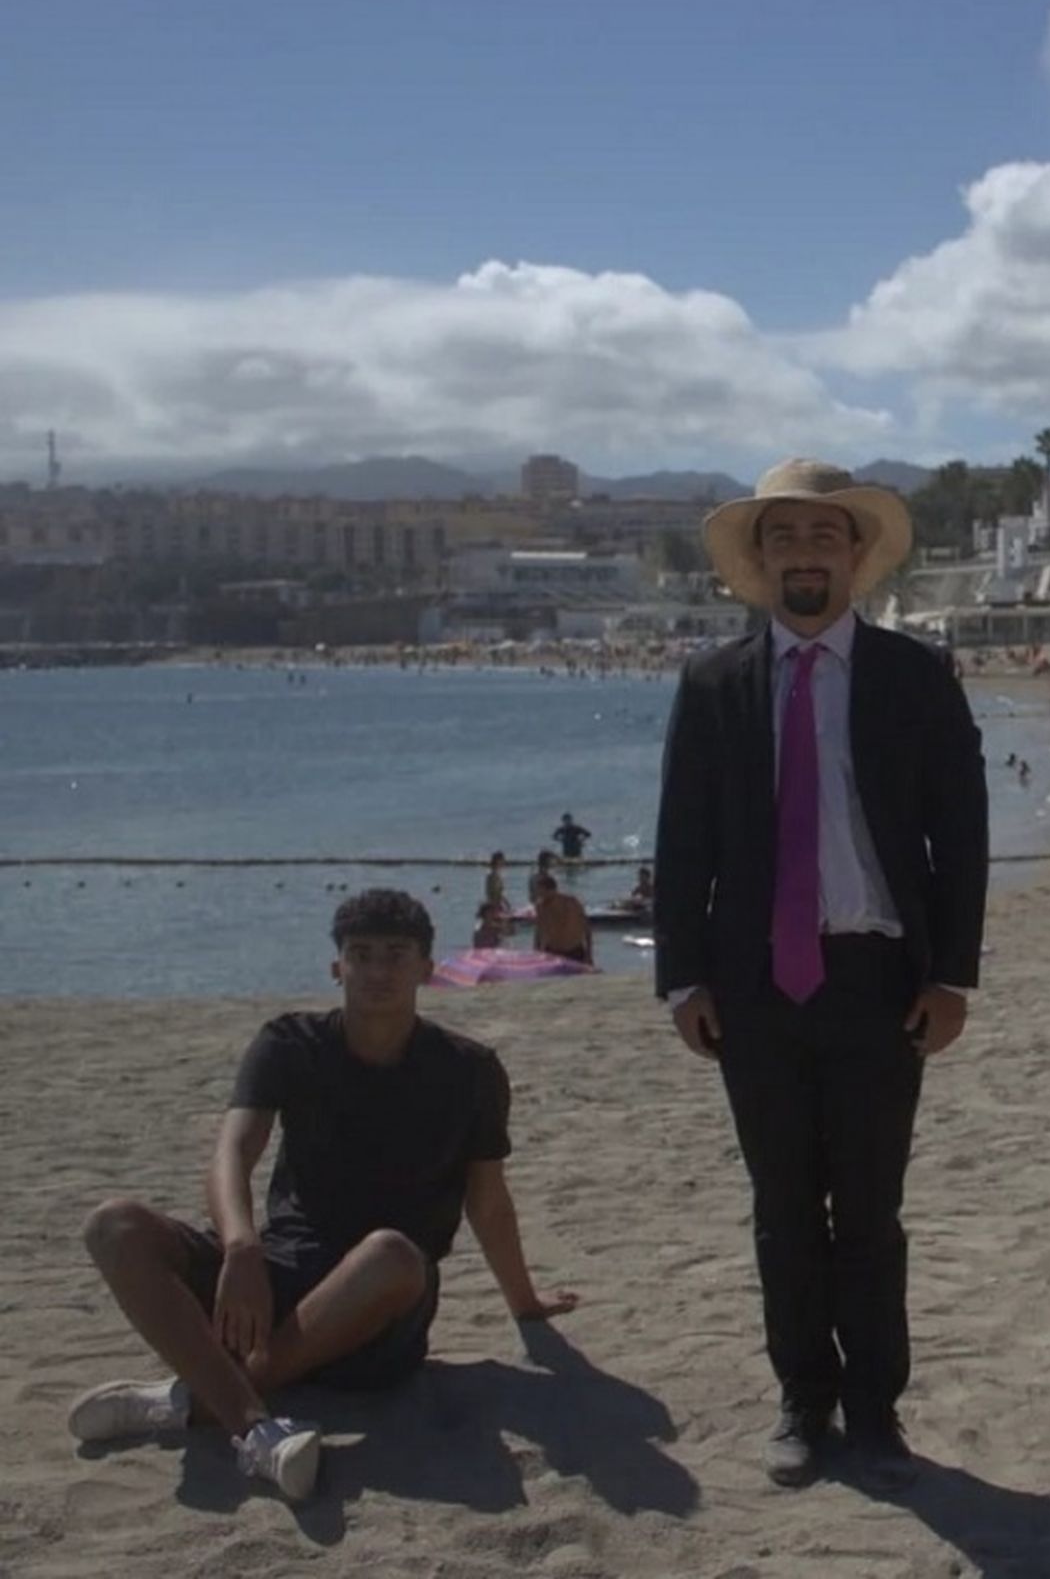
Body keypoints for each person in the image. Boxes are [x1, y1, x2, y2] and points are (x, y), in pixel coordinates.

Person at [654, 458, 987, 1491]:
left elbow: (959, 833)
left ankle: (877, 1404)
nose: (805, 552)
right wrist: (681, 977)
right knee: (783, 1207)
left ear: (855, 555)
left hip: (879, 979)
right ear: (761, 560)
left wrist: (954, 975)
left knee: (871, 1209)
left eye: (824, 535)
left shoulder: (914, 677)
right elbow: (684, 841)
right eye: (785, 536)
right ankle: (804, 1397)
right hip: (753, 986)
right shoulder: (713, 686)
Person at [68, 890, 577, 1502]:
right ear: (337, 968)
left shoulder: (469, 1070)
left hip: (379, 1314)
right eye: (361, 955)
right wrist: (240, 1248)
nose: (379, 971)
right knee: (113, 1226)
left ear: (427, 967)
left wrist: (524, 1302)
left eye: (396, 955)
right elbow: (233, 1151)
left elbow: (488, 1202)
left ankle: (211, 1406)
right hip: (273, 1283)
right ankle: (248, 1421)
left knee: (391, 1249)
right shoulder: (291, 1043)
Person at [532, 873, 593, 964]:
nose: (539, 894)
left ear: (551, 890)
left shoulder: (572, 903)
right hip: (553, 952)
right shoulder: (541, 907)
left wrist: (589, 955)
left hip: (575, 950)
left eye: (541, 891)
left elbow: (587, 930)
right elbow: (539, 932)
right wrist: (537, 955)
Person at [483, 850, 510, 914]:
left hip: (495, 904)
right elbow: (497, 893)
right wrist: (506, 903)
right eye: (502, 860)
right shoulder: (493, 875)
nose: (503, 862)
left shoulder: (495, 874)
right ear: (498, 861)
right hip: (494, 906)